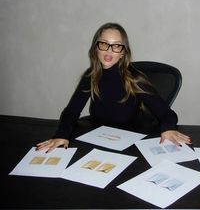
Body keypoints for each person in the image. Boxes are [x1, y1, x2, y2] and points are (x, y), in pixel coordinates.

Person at [36, 22, 191, 152]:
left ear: (123, 52)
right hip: (98, 141)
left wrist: (168, 128)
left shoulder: (135, 79)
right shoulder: (90, 77)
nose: (109, 51)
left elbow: (167, 114)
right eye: (104, 44)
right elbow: (71, 112)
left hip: (131, 144)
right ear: (96, 48)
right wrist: (61, 134)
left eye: (116, 46)